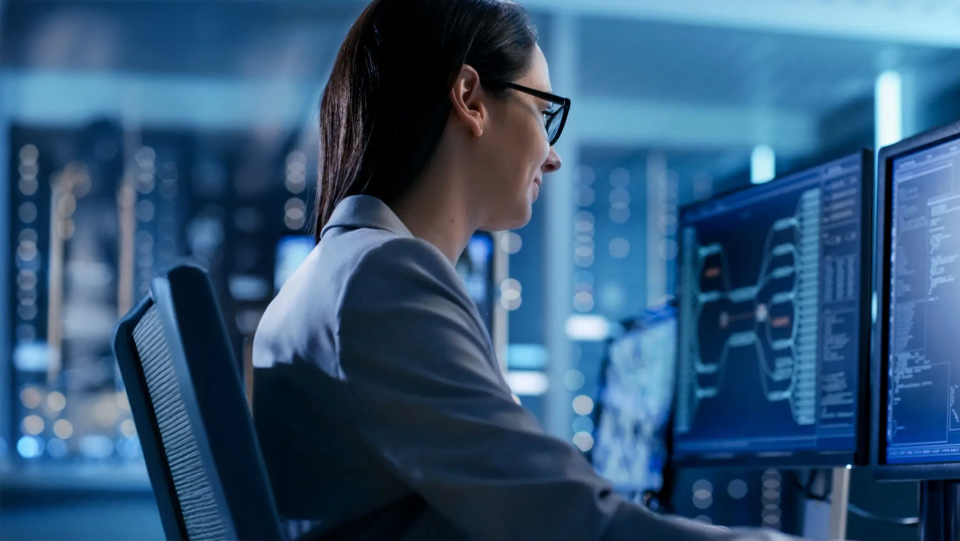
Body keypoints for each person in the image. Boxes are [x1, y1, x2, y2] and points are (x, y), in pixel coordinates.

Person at [252, 0, 803, 539]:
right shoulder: (383, 277)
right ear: (470, 98)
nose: (552, 155)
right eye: (543, 114)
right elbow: (566, 519)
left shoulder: (328, 276)